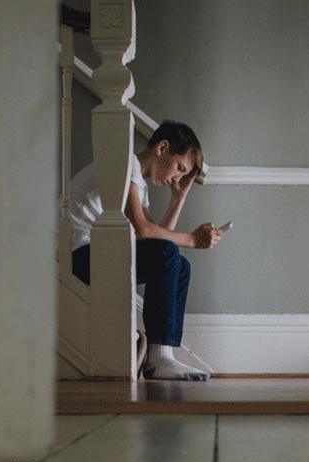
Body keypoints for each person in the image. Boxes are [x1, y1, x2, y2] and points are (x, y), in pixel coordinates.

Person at [70, 121, 221, 381]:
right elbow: (142, 229)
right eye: (179, 168)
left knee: (180, 266)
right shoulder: (126, 162)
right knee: (170, 255)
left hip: (98, 254)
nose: (177, 177)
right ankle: (159, 358)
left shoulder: (139, 183)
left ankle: (163, 353)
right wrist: (192, 239)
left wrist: (178, 199)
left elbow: (156, 241)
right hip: (79, 255)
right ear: (162, 148)